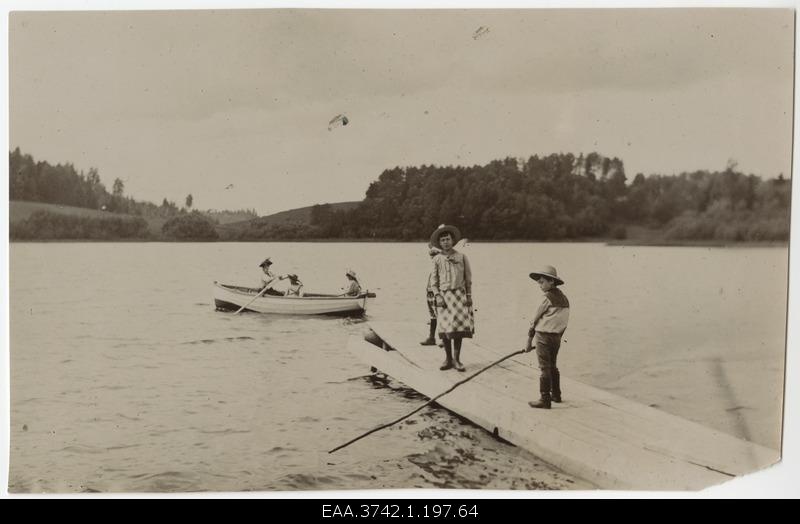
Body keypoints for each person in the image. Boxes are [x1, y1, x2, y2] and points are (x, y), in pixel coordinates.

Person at [429, 224, 474, 372]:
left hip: (459, 296)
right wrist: (437, 296)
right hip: (444, 297)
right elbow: (433, 282)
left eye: (448, 239)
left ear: (453, 240)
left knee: (458, 329)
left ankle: (457, 359)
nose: (446, 242)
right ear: (439, 243)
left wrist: (468, 295)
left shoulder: (461, 257)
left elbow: (468, 278)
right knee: (445, 328)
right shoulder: (437, 259)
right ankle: (447, 359)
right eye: (442, 240)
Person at [525, 265, 570, 409]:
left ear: (552, 282)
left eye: (542, 282)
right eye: (538, 282)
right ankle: (556, 394)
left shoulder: (545, 298)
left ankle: (545, 399)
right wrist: (557, 335)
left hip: (543, 336)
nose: (539, 285)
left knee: (544, 368)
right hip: (556, 337)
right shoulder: (564, 299)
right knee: (553, 366)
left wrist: (529, 340)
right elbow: (564, 322)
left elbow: (534, 320)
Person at [420, 247, 441, 346]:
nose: (432, 257)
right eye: (431, 256)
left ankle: (444, 339)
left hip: (437, 293)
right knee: (433, 315)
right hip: (430, 292)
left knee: (440, 315)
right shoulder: (433, 266)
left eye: (434, 255)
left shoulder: (441, 266)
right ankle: (431, 337)